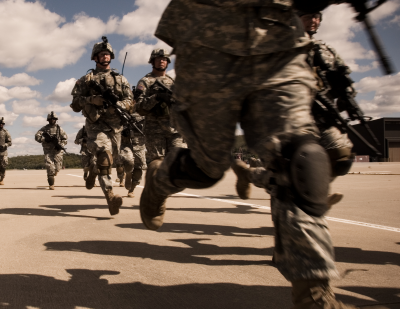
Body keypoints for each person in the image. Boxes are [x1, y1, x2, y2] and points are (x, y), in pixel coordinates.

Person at [140, 1, 356, 307]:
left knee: (300, 159)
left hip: (279, 38)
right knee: (208, 167)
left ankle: (314, 294)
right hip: (209, 39)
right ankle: (160, 180)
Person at [232, 10, 354, 207]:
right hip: (289, 115)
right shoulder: (280, 42)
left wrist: (347, 94)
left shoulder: (326, 50)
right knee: (284, 171)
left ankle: (314, 192)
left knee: (341, 157)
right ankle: (249, 174)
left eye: (317, 17)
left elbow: (343, 77)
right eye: (308, 16)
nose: (313, 20)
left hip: (323, 113)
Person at [70, 36, 133, 215]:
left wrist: (121, 105)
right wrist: (92, 100)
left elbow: (131, 100)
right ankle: (111, 196)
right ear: (95, 58)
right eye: (101, 54)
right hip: (96, 125)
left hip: (116, 127)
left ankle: (93, 170)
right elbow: (74, 104)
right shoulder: (85, 80)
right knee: (104, 157)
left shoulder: (120, 79)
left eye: (107, 54)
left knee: (112, 160)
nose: (105, 56)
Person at [135, 49, 186, 164]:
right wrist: (156, 97)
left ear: (168, 62)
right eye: (158, 59)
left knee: (177, 162)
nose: (161, 61)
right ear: (152, 62)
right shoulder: (145, 81)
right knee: (158, 164)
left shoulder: (172, 81)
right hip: (155, 131)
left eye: (164, 59)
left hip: (174, 130)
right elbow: (138, 107)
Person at [35, 112, 68, 190]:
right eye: (51, 119)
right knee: (50, 167)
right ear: (48, 120)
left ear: (56, 120)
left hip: (58, 151)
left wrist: (60, 145)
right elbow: (37, 136)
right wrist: (45, 139)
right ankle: (51, 184)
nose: (52, 120)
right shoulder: (44, 129)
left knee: (57, 168)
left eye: (54, 119)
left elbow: (65, 139)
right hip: (48, 151)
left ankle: (55, 171)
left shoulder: (60, 129)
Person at [118, 112, 146, 198]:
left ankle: (132, 189)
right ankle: (128, 173)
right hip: (126, 144)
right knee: (129, 161)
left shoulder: (145, 115)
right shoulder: (121, 112)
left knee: (139, 167)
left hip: (140, 145)